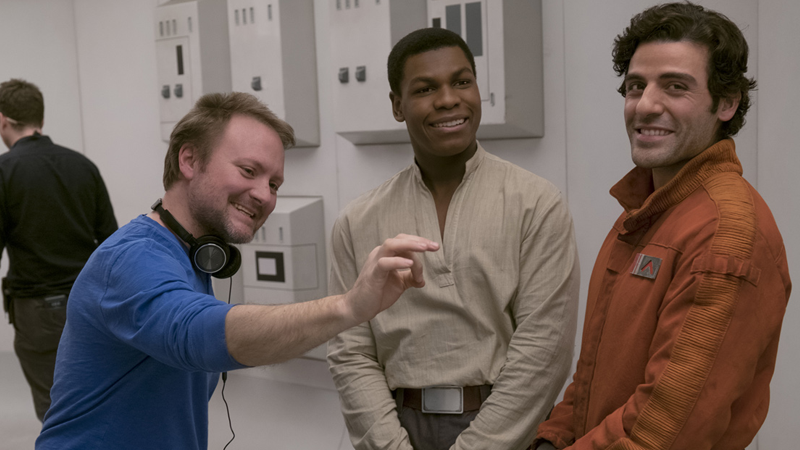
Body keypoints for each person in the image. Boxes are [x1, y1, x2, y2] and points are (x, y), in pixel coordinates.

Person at [35, 92, 439, 449]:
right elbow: (197, 333)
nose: (264, 195)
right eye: (249, 171)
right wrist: (349, 307)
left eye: (275, 184)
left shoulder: (187, 256)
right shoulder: (131, 258)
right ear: (189, 160)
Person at [534, 3, 791, 449]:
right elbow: (592, 373)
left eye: (675, 86)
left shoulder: (725, 235)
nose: (646, 105)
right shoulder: (643, 212)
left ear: (726, 103)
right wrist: (551, 440)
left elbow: (665, 430)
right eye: (636, 86)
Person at [328, 28, 580, 450]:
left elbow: (544, 352)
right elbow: (350, 352)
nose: (448, 99)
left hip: (505, 431)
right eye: (425, 88)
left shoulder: (536, 203)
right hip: (397, 428)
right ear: (397, 106)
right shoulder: (357, 221)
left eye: (462, 82)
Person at [0, 79, 118, 422]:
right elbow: (111, 241)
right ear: (41, 118)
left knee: (56, 411)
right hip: (91, 302)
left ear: (2, 119)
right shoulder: (83, 166)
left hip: (37, 310)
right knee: (96, 397)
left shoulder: (4, 172)